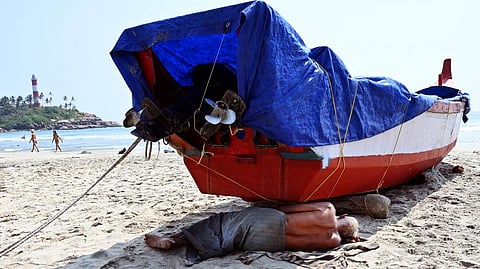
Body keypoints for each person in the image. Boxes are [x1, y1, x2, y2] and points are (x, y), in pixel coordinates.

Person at [144, 202, 359, 261]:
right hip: (275, 244)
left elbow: (289, 210)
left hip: (277, 222)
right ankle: (204, 245)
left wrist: (264, 210)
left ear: (341, 217)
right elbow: (303, 246)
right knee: (235, 240)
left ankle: (174, 240)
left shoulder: (328, 209)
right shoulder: (331, 242)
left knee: (221, 222)